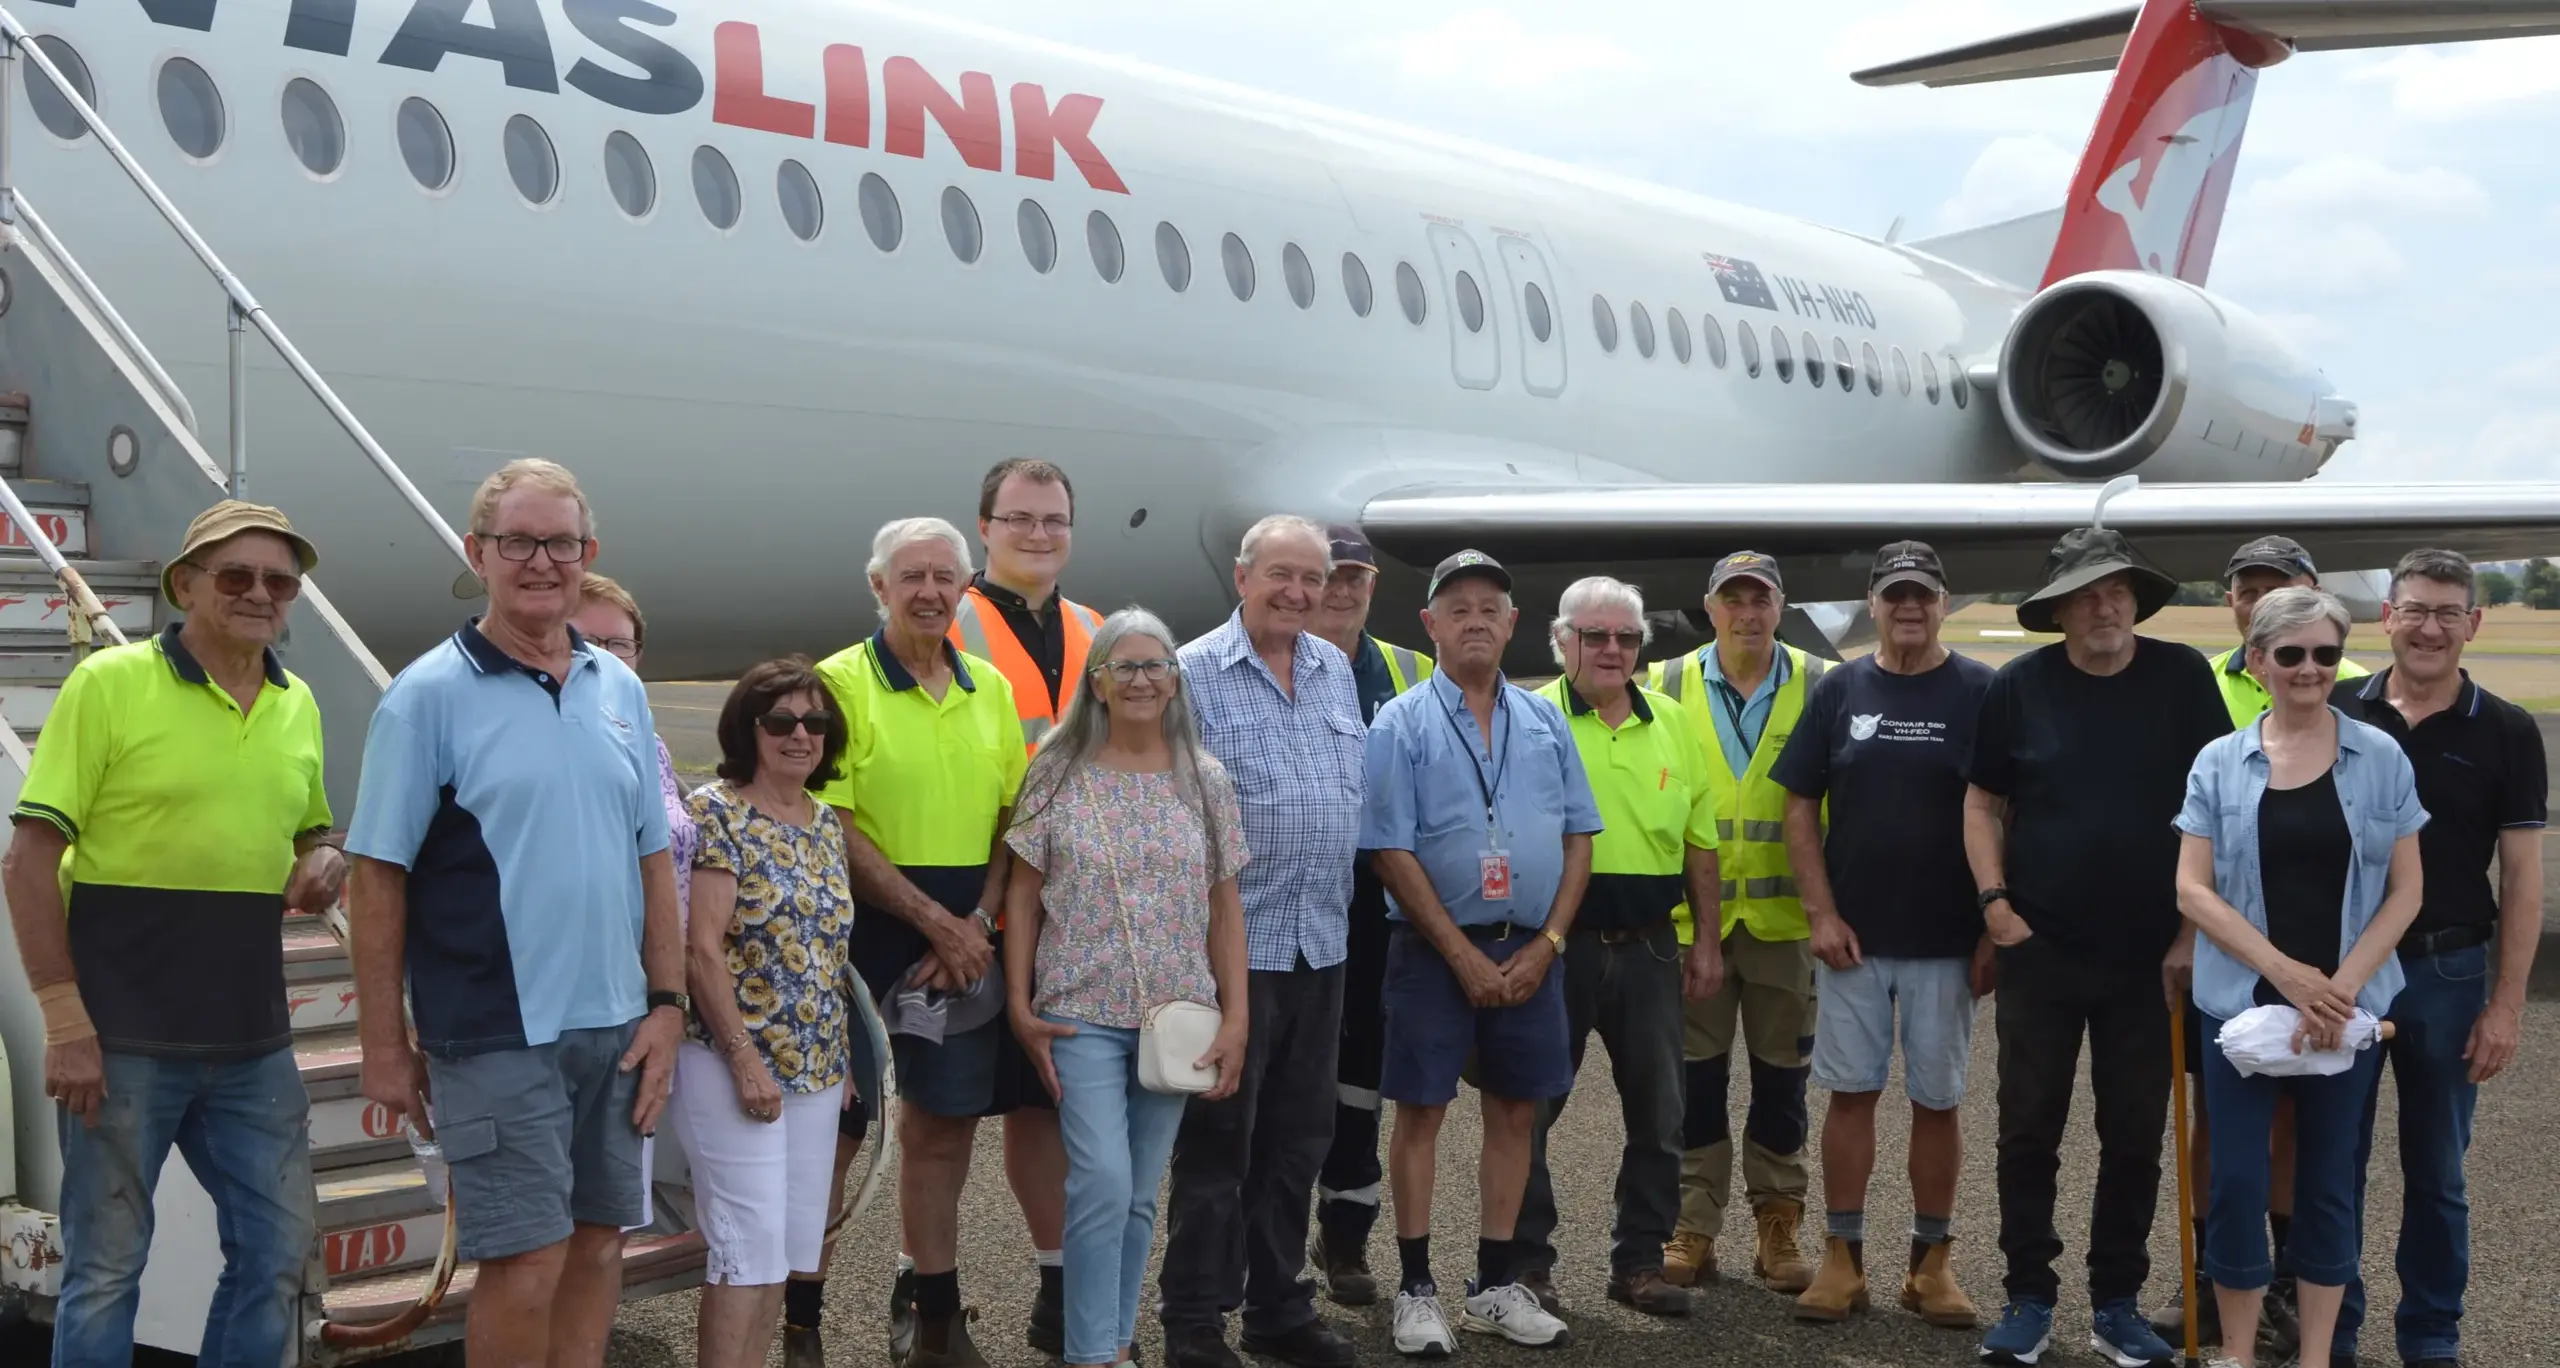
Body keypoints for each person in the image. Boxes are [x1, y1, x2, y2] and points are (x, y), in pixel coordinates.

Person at [347, 459, 686, 1368]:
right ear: (478, 553)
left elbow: (653, 858)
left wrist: (667, 1004)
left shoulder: (618, 689)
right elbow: (375, 876)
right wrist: (385, 1044)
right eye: (519, 542)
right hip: (496, 1028)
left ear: (588, 554)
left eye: (561, 543)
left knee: (600, 1241)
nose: (542, 561)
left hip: (617, 1025)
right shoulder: (425, 698)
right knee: (525, 1259)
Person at [4, 501, 342, 1368]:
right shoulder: (109, 685)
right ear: (184, 585)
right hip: (121, 1045)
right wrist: (64, 1020)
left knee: (275, 1260)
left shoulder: (295, 703)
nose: (259, 593)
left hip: (251, 1043)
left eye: (279, 581)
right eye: (235, 575)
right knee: (109, 1271)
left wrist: (323, 862)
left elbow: (311, 832)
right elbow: (28, 862)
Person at [1963, 525, 2229, 1368]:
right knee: (2027, 1129)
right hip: (2040, 949)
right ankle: (2029, 1298)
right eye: (2086, 592)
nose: (2104, 604)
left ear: (2135, 601)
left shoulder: (2182, 678)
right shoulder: (2018, 685)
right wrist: (1996, 906)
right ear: (2061, 609)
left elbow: (2215, 809)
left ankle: (2116, 1301)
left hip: (2152, 957)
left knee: (2135, 1132)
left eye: (2117, 590)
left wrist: (2191, 932)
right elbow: (1980, 803)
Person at [2172, 587, 2426, 1368]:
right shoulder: (2219, 760)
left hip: (2343, 1017)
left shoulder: (2381, 756)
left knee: (2327, 1192)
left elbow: (2408, 889)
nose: (2309, 669)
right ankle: (2240, 1353)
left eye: (2324, 653)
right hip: (2241, 1008)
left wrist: (2338, 989)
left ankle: (2316, 1355)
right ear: (2259, 660)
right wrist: (2287, 975)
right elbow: (2192, 888)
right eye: (2291, 654)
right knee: (2238, 1186)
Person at [1002, 608, 1254, 1368]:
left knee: (1142, 1195)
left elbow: (1225, 905)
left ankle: (1113, 1346)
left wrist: (1236, 1017)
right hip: (1079, 1013)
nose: (1142, 679)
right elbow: (1021, 893)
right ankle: (1086, 1354)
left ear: (1175, 680)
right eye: (1125, 666)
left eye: (1155, 665)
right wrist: (1019, 1002)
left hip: (1175, 1017)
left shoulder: (1203, 778)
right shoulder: (1056, 767)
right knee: (1103, 1184)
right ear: (1099, 683)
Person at [1362, 549, 1596, 1357]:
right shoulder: (1399, 722)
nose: (1474, 620)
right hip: (1433, 953)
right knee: (1421, 1112)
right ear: (1429, 625)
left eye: (1488, 607)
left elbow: (1577, 839)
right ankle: (1417, 1288)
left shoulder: (1546, 721)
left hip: (1531, 948)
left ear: (1513, 625)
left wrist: (1551, 944)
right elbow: (1389, 848)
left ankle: (1495, 1285)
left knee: (1515, 1113)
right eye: (1456, 607)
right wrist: (1458, 952)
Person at [811, 517, 1028, 1368]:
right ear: (879, 587)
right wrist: (933, 922)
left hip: (963, 947)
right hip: (864, 947)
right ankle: (803, 1323)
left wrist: (974, 924)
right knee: (837, 1137)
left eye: (946, 577)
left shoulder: (992, 692)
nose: (930, 592)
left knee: (943, 1133)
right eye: (912, 577)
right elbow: (833, 823)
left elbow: (1016, 821)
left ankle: (935, 1324)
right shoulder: (837, 683)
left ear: (966, 589)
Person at [1159, 515, 1367, 1368]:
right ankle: (1196, 1322)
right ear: (1241, 577)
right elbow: (1173, 819)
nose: (1297, 592)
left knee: (1297, 1140)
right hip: (1231, 957)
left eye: (1311, 579)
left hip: (1321, 945)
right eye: (1280, 575)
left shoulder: (1333, 669)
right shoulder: (1193, 674)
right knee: (1216, 1147)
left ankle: (1278, 1309)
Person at [2332, 548, 2546, 1368]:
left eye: (2448, 613)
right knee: (2332, 1164)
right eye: (2414, 609)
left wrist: (2506, 1003)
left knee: (2438, 1174)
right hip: (2347, 975)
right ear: (2386, 617)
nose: (2429, 628)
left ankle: (2430, 1335)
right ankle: (2332, 1329)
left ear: (2474, 625)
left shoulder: (2506, 730)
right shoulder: (2340, 709)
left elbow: (2522, 878)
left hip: (2449, 974)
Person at [1771, 542, 1993, 1328]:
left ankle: (1931, 1265)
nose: (1909, 608)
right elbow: (1799, 804)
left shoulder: (1981, 689)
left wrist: (1994, 922)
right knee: (1851, 1093)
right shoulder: (1840, 689)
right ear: (1872, 602)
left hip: (1947, 939)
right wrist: (1821, 913)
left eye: (1922, 596)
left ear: (1943, 602)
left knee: (1938, 1099)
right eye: (1895, 595)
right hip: (1853, 940)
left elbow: (2010, 809)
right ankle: (1843, 1257)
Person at [1512, 577, 1718, 1318]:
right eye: (1593, 636)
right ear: (1560, 640)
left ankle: (1639, 1264)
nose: (1610, 650)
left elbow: (1700, 842)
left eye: (1625, 638)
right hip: (1554, 948)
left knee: (1661, 1116)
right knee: (1529, 1112)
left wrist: (1706, 943)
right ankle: (1528, 1265)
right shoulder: (1527, 720)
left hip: (1651, 947)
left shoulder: (1672, 721)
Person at [669, 659, 858, 1368]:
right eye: (780, 721)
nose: (800, 734)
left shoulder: (824, 824)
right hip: (730, 1064)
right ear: (748, 731)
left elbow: (827, 953)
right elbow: (701, 951)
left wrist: (838, 1063)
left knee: (783, 1249)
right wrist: (745, 1059)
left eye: (814, 722)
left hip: (815, 1068)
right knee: (744, 1247)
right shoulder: (717, 813)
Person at [1646, 550, 1820, 1294]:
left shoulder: (1824, 683)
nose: (1748, 613)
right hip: (1696, 930)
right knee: (1697, 1083)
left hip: (1788, 927)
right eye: (1734, 599)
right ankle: (1694, 1225)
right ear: (1709, 607)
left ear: (1781, 607)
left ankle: (1778, 1224)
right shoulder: (1664, 683)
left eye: (1762, 599)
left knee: (1784, 1085)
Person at [1307, 523, 1436, 1306]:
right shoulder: (1273, 661)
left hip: (1378, 907)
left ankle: (1347, 1237)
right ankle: (1269, 1248)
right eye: (1330, 575)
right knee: (1287, 1077)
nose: (1343, 589)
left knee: (1361, 1075)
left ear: (1373, 585)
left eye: (1356, 576)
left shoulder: (1408, 670)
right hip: (1289, 899)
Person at [574, 574, 695, 1240]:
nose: (604, 654)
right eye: (586, 638)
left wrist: (669, 999)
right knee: (560, 1228)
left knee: (608, 1223)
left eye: (619, 642)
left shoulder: (647, 741)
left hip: (650, 996)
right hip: (586, 999)